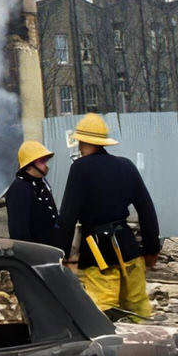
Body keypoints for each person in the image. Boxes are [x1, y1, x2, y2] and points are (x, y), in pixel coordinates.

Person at [57, 113, 161, 321]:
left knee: (102, 315)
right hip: (129, 250)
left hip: (98, 255)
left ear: (84, 141)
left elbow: (67, 217)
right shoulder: (126, 166)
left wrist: (61, 255)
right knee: (138, 312)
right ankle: (147, 349)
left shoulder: (79, 169)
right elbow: (146, 209)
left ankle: (113, 353)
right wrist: (151, 249)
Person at [5, 140, 64, 251]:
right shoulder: (20, 189)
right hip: (35, 256)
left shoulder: (40, 185)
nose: (46, 165)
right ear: (29, 166)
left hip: (49, 252)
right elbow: (19, 233)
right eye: (41, 161)